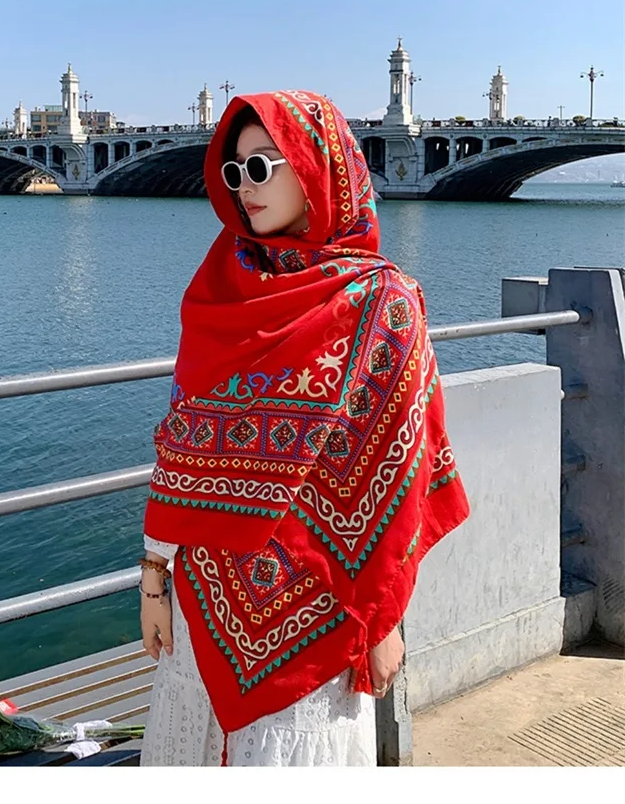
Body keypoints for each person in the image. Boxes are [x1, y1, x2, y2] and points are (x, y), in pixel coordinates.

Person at [139, 90, 470, 767]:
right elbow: (181, 447)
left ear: (320, 168)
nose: (246, 186)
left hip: (325, 614)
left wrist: (382, 619)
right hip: (202, 602)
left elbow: (396, 477)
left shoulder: (385, 304)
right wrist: (152, 577)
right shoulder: (219, 288)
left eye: (263, 165)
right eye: (234, 171)